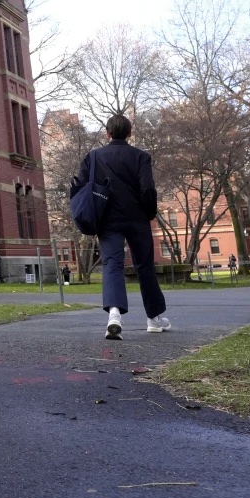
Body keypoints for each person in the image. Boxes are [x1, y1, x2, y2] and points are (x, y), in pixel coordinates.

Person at [75, 113, 169, 340]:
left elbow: (80, 185)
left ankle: (114, 316)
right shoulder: (141, 157)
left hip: (107, 219)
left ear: (107, 134)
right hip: (137, 218)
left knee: (112, 265)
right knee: (145, 266)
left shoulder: (93, 157)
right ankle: (154, 319)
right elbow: (148, 189)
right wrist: (149, 213)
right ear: (129, 133)